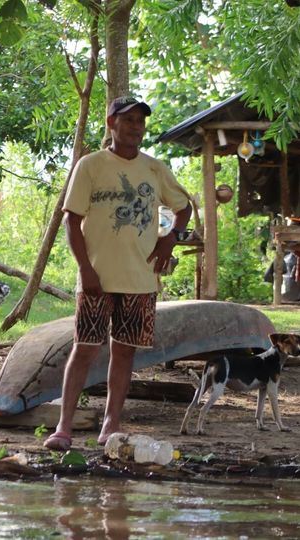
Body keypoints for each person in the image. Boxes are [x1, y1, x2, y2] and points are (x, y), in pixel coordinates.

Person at [43, 96, 192, 451]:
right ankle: (63, 427)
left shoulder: (155, 169)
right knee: (85, 349)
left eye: (140, 121)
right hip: (97, 278)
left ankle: (111, 424)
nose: (136, 127)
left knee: (124, 353)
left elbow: (183, 208)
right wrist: (85, 270)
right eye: (127, 121)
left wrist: (170, 240)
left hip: (140, 280)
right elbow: (72, 220)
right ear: (111, 124)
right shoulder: (91, 165)